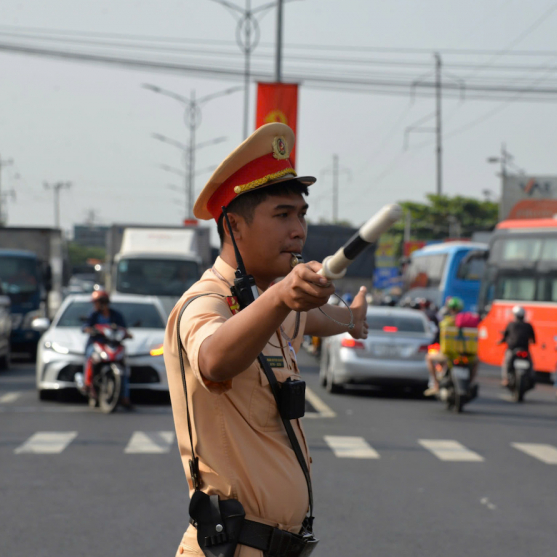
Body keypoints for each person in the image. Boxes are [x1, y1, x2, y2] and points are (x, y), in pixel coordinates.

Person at [163, 123, 369, 556]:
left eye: (301, 214)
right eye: (282, 215)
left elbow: (316, 317)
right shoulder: (204, 302)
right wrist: (280, 296)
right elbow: (214, 359)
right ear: (234, 226)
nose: (298, 230)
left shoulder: (267, 307)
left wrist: (352, 318)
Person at [82, 289, 132, 409]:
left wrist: (126, 333)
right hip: (97, 344)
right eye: (96, 302)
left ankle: (125, 396)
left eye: (98, 302)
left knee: (124, 367)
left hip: (113, 344)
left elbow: (123, 328)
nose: (97, 305)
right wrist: (89, 329)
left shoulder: (115, 315)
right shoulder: (93, 315)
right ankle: (87, 383)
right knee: (90, 357)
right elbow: (85, 326)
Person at [424, 296, 475, 395]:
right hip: (466, 355)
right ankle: (469, 383)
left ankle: (436, 385)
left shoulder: (446, 322)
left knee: (428, 358)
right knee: (476, 363)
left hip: (448, 354)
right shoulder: (468, 321)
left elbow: (438, 337)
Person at [498, 305, 536, 387]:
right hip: (524, 348)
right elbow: (533, 339)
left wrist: (501, 341)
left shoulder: (511, 324)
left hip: (512, 349)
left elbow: (505, 336)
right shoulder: (528, 325)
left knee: (506, 363)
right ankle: (532, 378)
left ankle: (506, 379)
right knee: (531, 364)